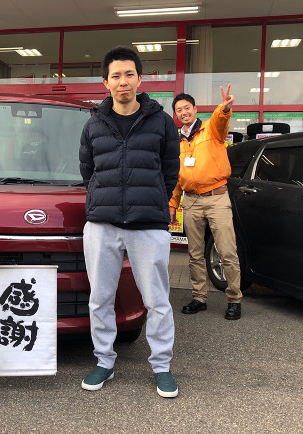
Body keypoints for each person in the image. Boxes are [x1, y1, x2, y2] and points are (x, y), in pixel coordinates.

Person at [79, 46, 180, 398]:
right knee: (100, 298)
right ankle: (104, 361)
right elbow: (88, 171)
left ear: (140, 79)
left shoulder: (161, 122)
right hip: (102, 225)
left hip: (148, 224)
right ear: (105, 83)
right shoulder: (93, 124)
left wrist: (155, 200)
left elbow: (170, 171)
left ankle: (162, 365)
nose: (123, 82)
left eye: (129, 75)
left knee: (157, 300)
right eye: (116, 76)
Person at [168, 85, 243, 320]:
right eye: (179, 110)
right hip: (191, 201)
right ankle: (199, 298)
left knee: (227, 251)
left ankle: (234, 299)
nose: (184, 112)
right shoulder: (177, 142)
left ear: (195, 109)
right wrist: (172, 205)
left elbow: (221, 121)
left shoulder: (211, 129)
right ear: (176, 115)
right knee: (195, 253)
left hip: (217, 198)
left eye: (187, 108)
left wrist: (225, 108)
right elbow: (177, 178)